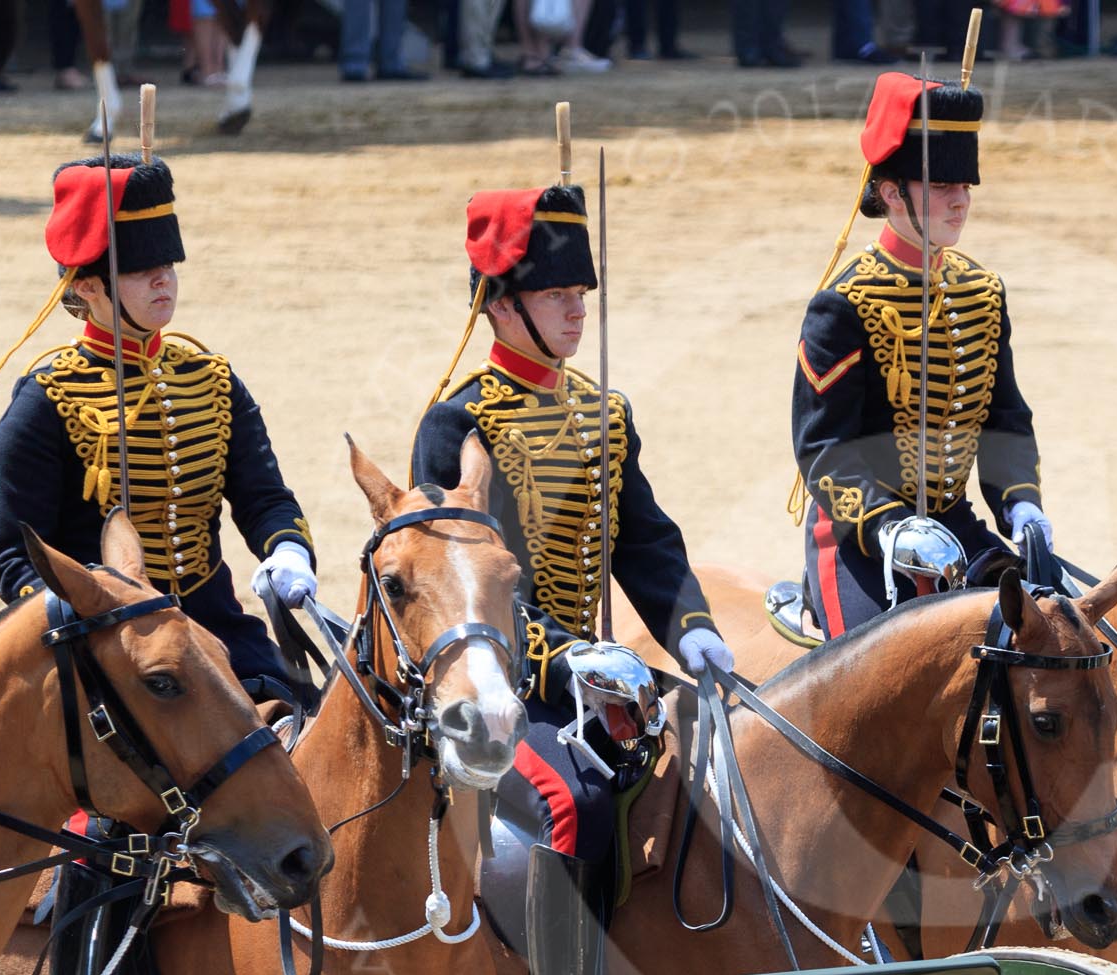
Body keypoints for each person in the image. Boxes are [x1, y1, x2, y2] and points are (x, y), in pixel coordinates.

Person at [412, 182, 732, 916]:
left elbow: (647, 541)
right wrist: (565, 658)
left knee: (715, 760)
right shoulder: (455, 424)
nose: (576, 310)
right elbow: (462, 587)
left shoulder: (605, 413)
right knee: (574, 801)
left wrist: (694, 629)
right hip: (495, 687)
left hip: (597, 678)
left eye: (581, 293)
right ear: (500, 304)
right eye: (555, 294)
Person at [0, 152, 318, 708]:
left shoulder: (212, 381)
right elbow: (15, 560)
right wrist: (89, 620)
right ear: (86, 285)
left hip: (217, 632)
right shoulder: (45, 404)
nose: (163, 278)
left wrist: (287, 550)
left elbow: (266, 499)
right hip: (104, 650)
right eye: (138, 268)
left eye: (168, 263)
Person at [791, 71, 1047, 639]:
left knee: (1068, 646)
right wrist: (888, 527)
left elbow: (1005, 418)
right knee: (870, 695)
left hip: (956, 524)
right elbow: (823, 449)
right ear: (891, 192)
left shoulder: (982, 291)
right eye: (941, 186)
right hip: (861, 541)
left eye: (966, 185)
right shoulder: (843, 304)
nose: (960, 200)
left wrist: (1020, 503)